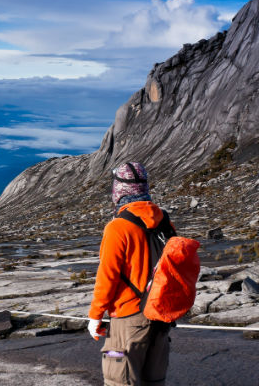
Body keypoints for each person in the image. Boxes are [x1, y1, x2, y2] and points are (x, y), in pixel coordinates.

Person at [87, 162, 175, 386]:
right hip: (160, 318)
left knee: (120, 381)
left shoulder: (118, 227)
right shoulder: (164, 222)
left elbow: (107, 276)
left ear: (118, 190)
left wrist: (95, 315)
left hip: (128, 320)